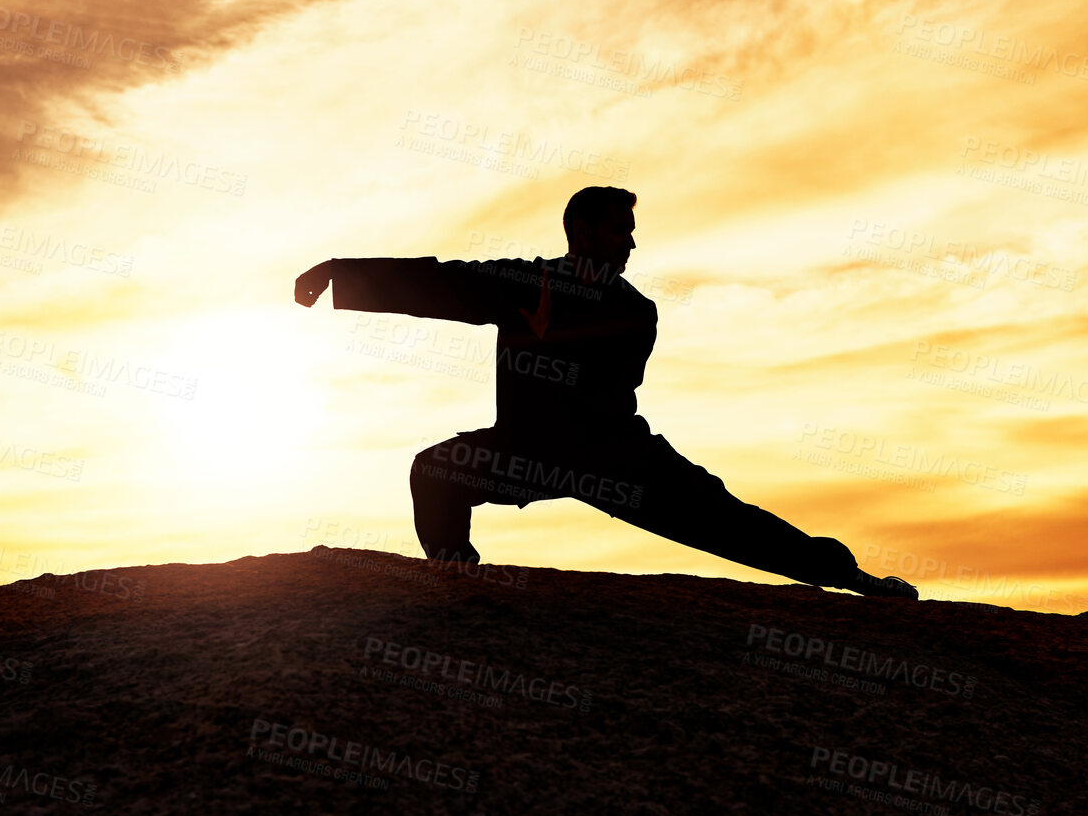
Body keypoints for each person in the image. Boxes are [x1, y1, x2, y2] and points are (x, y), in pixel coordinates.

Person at [294, 186, 917, 599]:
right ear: (582, 232)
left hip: (616, 459)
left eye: (632, 229)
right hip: (528, 454)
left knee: (729, 522)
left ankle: (851, 577)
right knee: (436, 472)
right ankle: (457, 575)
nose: (632, 240)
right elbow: (441, 283)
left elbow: (599, 371)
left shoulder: (635, 310)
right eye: (621, 229)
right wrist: (339, 273)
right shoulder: (526, 283)